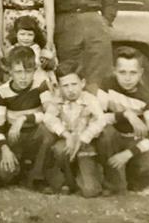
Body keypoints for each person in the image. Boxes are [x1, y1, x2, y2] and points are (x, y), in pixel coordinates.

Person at [95, 47, 149, 194]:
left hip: (131, 140)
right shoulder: (106, 84)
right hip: (111, 137)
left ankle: (131, 180)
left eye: (133, 73)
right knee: (106, 134)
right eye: (122, 72)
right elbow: (98, 118)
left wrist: (129, 153)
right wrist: (127, 114)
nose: (127, 78)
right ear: (114, 71)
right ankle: (112, 181)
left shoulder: (147, 98)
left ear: (140, 73)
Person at [0, 46, 56, 190]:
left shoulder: (40, 85)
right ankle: (21, 169)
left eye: (28, 72)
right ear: (10, 72)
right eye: (18, 72)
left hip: (36, 134)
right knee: (4, 175)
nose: (23, 77)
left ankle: (37, 176)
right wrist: (5, 149)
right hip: (14, 137)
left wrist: (23, 119)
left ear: (34, 71)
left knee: (47, 132)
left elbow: (50, 112)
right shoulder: (2, 92)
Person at [43, 61, 106, 197]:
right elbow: (48, 118)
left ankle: (87, 173)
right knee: (60, 150)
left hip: (85, 145)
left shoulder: (90, 99)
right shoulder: (57, 100)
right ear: (59, 87)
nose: (70, 90)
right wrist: (66, 135)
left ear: (82, 83)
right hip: (67, 142)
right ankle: (68, 180)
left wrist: (83, 138)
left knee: (90, 191)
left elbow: (101, 120)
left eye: (74, 84)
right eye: (65, 86)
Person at [6, 16, 57, 89]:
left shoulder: (38, 49)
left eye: (30, 35)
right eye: (22, 34)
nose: (26, 38)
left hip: (37, 79)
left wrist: (47, 58)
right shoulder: (12, 50)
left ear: (35, 35)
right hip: (19, 80)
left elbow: (50, 64)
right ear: (16, 34)